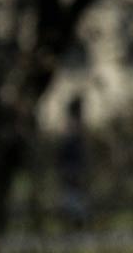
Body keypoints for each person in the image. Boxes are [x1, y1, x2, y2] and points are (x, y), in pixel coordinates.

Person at [55, 95, 89, 231]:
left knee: (73, 195)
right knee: (73, 195)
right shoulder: (74, 128)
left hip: (72, 167)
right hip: (73, 167)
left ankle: (76, 221)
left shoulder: (72, 128)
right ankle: (76, 221)